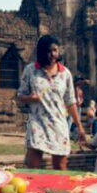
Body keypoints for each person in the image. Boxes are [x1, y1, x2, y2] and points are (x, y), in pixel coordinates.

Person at [17, 35, 86, 170]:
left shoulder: (65, 73)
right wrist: (30, 97)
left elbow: (71, 101)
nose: (53, 54)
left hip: (58, 123)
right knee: (33, 168)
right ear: (42, 52)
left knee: (61, 167)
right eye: (49, 51)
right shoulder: (31, 70)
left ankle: (60, 191)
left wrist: (79, 126)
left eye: (55, 50)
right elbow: (20, 96)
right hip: (37, 124)